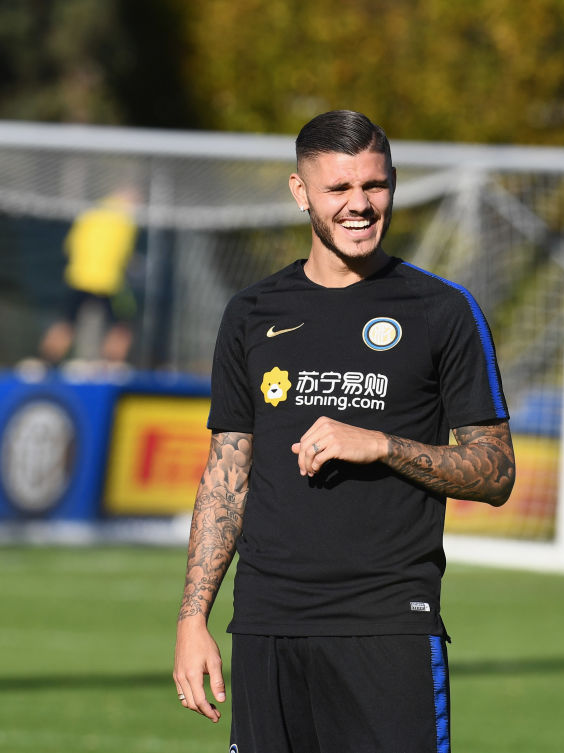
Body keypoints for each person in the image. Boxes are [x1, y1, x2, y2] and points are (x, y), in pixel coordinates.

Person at [173, 110, 516, 753]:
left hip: (388, 627)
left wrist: (382, 445)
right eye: (339, 188)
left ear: (393, 183)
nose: (360, 205)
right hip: (267, 626)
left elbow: (496, 473)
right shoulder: (250, 312)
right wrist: (194, 619)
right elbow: (226, 475)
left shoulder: (442, 310)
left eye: (374, 185)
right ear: (301, 192)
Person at [37, 187, 139, 368]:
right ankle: (113, 364)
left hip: (79, 278)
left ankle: (45, 362)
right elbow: (124, 252)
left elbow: (70, 245)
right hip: (109, 281)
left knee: (67, 322)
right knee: (122, 326)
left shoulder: (90, 213)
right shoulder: (126, 220)